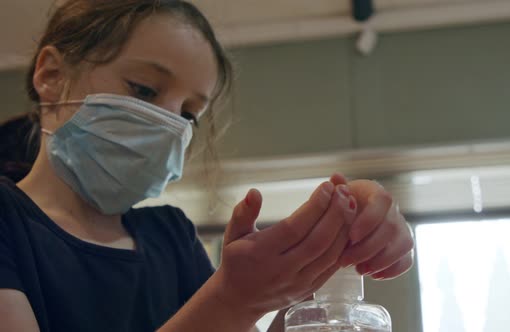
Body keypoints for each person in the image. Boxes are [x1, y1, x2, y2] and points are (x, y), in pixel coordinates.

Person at [0, 1, 415, 331]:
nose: (168, 125)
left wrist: (331, 252)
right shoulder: (9, 226)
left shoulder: (171, 239)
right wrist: (234, 300)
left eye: (188, 114)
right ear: (51, 75)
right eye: (143, 89)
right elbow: (224, 314)